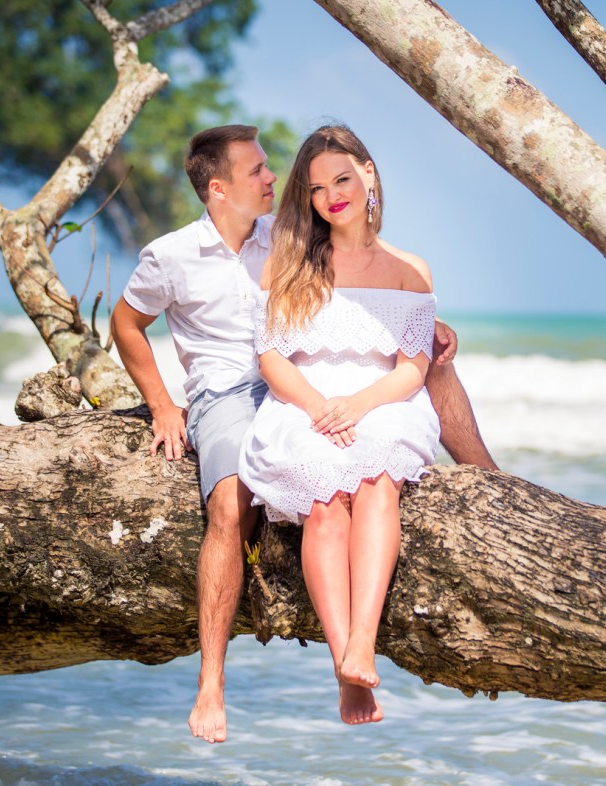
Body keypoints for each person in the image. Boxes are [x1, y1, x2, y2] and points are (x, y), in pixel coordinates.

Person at [110, 125, 496, 743]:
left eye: (272, 169)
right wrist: (161, 404)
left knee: (432, 368)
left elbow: (368, 295)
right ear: (219, 189)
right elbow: (127, 323)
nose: (272, 178)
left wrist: (428, 324)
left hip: (317, 383)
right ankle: (211, 681)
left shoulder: (285, 234)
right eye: (257, 171)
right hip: (232, 390)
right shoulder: (174, 255)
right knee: (232, 505)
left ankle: (490, 481)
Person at [237, 124, 441, 725]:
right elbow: (272, 358)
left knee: (377, 482)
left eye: (343, 179)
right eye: (318, 188)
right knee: (326, 502)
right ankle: (343, 669)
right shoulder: (292, 263)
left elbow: (413, 368)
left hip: (383, 401)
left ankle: (363, 646)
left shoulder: (409, 269)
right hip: (303, 403)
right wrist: (317, 405)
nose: (332, 196)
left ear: (368, 174)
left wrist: (359, 404)